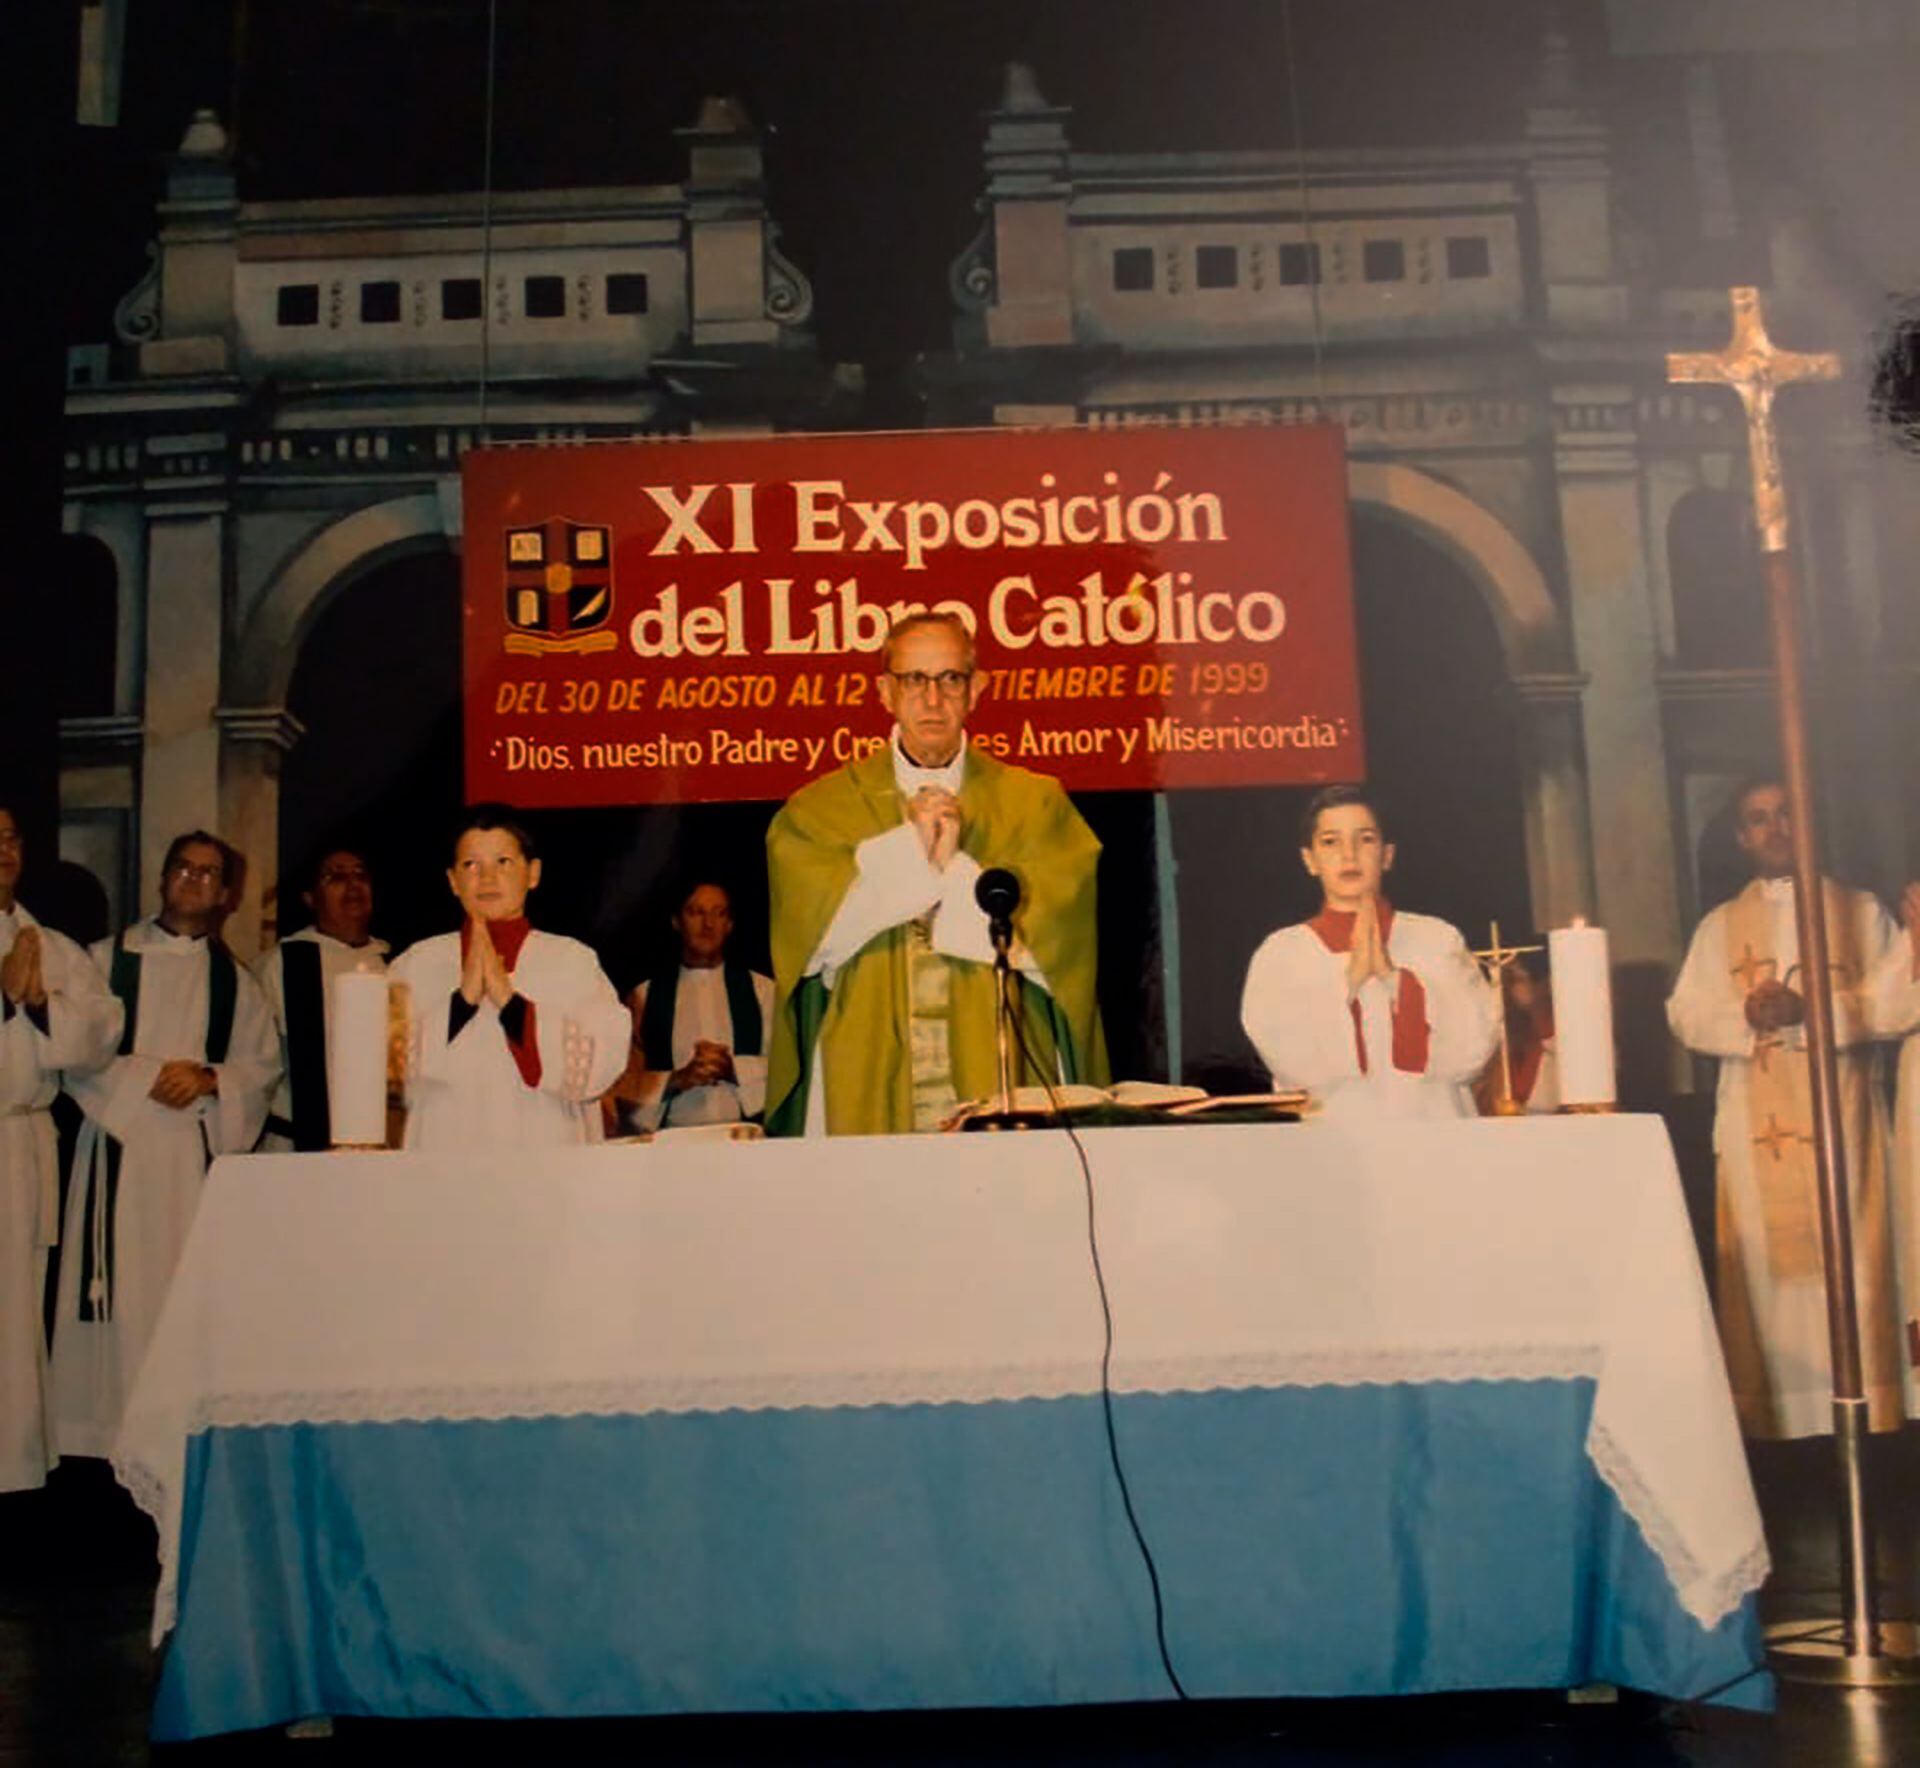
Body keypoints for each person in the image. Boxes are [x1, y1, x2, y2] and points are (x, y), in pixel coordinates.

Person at [765, 611, 1107, 1136]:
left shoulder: (1034, 804)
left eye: (950, 679)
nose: (932, 699)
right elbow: (812, 949)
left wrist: (947, 869)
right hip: (862, 1071)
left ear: (977, 690)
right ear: (885, 691)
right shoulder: (820, 810)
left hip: (1004, 1066)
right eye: (913, 679)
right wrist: (914, 853)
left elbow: (1057, 953)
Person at [1666, 779, 1909, 1439]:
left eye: (1786, 815)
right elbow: (1685, 1014)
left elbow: (1893, 1005)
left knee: (1855, 1267)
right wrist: (1746, 1015)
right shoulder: (1719, 927)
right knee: (1771, 1285)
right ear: (1742, 838)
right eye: (1758, 819)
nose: (1775, 829)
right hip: (1754, 1119)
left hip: (1846, 1121)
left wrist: (1810, 1013)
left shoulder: (1860, 912)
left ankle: (1869, 1424)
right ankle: (1786, 1432)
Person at [50, 831, 279, 1459]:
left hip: (190, 1160)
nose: (194, 880)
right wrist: (147, 1078)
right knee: (116, 1293)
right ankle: (104, 1438)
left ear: (227, 894)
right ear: (163, 877)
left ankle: (174, 1433)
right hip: (118, 1152)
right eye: (184, 867)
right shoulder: (101, 960)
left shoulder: (239, 985)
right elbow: (74, 1050)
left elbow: (259, 1069)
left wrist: (210, 1079)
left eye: (209, 873)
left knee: (178, 1295)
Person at [1240, 785, 1498, 1121]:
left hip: (1434, 1129)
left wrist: (1397, 983)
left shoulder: (1437, 938)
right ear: (1310, 860)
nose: (1349, 855)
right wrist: (1347, 984)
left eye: (1365, 839)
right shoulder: (1282, 953)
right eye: (1330, 842)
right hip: (1337, 1142)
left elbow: (1472, 1052)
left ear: (1387, 855)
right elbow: (1290, 1063)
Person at [0, 807, 123, 1491]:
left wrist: (41, 1005)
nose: (4, 850)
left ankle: (10, 1481)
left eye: (12, 837)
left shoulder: (49, 945)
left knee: (16, 1320)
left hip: (18, 1144)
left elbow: (101, 1030)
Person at [388, 806, 628, 1151]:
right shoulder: (417, 964)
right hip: (443, 1163)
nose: (487, 878)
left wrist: (509, 1003)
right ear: (453, 881)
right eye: (471, 865)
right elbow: (388, 1077)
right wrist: (462, 1002)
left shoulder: (572, 961)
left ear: (533, 873)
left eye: (503, 862)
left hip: (545, 1163)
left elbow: (600, 1066)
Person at [608, 878, 774, 1133]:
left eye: (719, 914)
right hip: (673, 1141)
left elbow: (786, 1069)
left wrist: (734, 1069)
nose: (708, 925)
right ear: (676, 922)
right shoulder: (644, 996)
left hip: (746, 1137)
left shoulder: (763, 990)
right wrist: (676, 1080)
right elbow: (621, 1081)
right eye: (696, 912)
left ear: (730, 924)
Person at [252, 845, 388, 1152]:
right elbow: (254, 1061)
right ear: (310, 898)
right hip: (298, 1145)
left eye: (360, 875)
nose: (353, 885)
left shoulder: (396, 964)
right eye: (335, 877)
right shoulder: (282, 964)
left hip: (381, 1147)